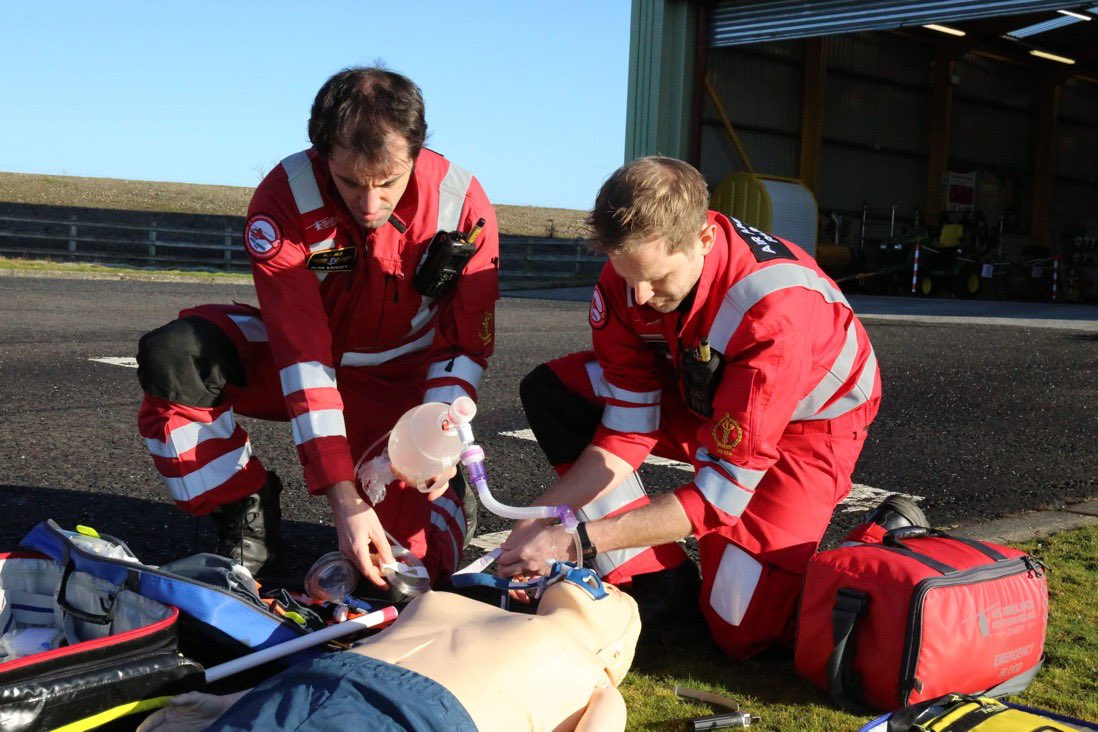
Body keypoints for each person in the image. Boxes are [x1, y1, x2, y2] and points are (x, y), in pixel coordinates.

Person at [498, 156, 880, 658]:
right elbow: (626, 431)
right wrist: (547, 516)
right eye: (626, 274)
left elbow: (720, 496)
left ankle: (883, 539)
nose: (638, 296)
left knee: (741, 633)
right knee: (555, 390)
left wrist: (576, 541)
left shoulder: (775, 316)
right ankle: (655, 578)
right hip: (706, 392)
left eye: (655, 280)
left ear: (702, 240)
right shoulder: (635, 275)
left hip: (806, 428)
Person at [135, 67, 499, 587]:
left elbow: (464, 342)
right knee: (175, 355)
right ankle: (243, 509)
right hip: (303, 357)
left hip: (402, 383)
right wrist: (342, 495)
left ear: (418, 151)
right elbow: (302, 352)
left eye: (388, 183)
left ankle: (447, 497)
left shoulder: (462, 203)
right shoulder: (283, 198)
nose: (369, 205)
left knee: (402, 576)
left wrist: (437, 440)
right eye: (350, 182)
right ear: (320, 151)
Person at [137, 567, 641, 732]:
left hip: (413, 719)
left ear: (615, 655)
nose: (599, 580)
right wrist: (227, 703)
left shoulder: (596, 680)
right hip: (304, 689)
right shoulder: (456, 605)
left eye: (619, 594)